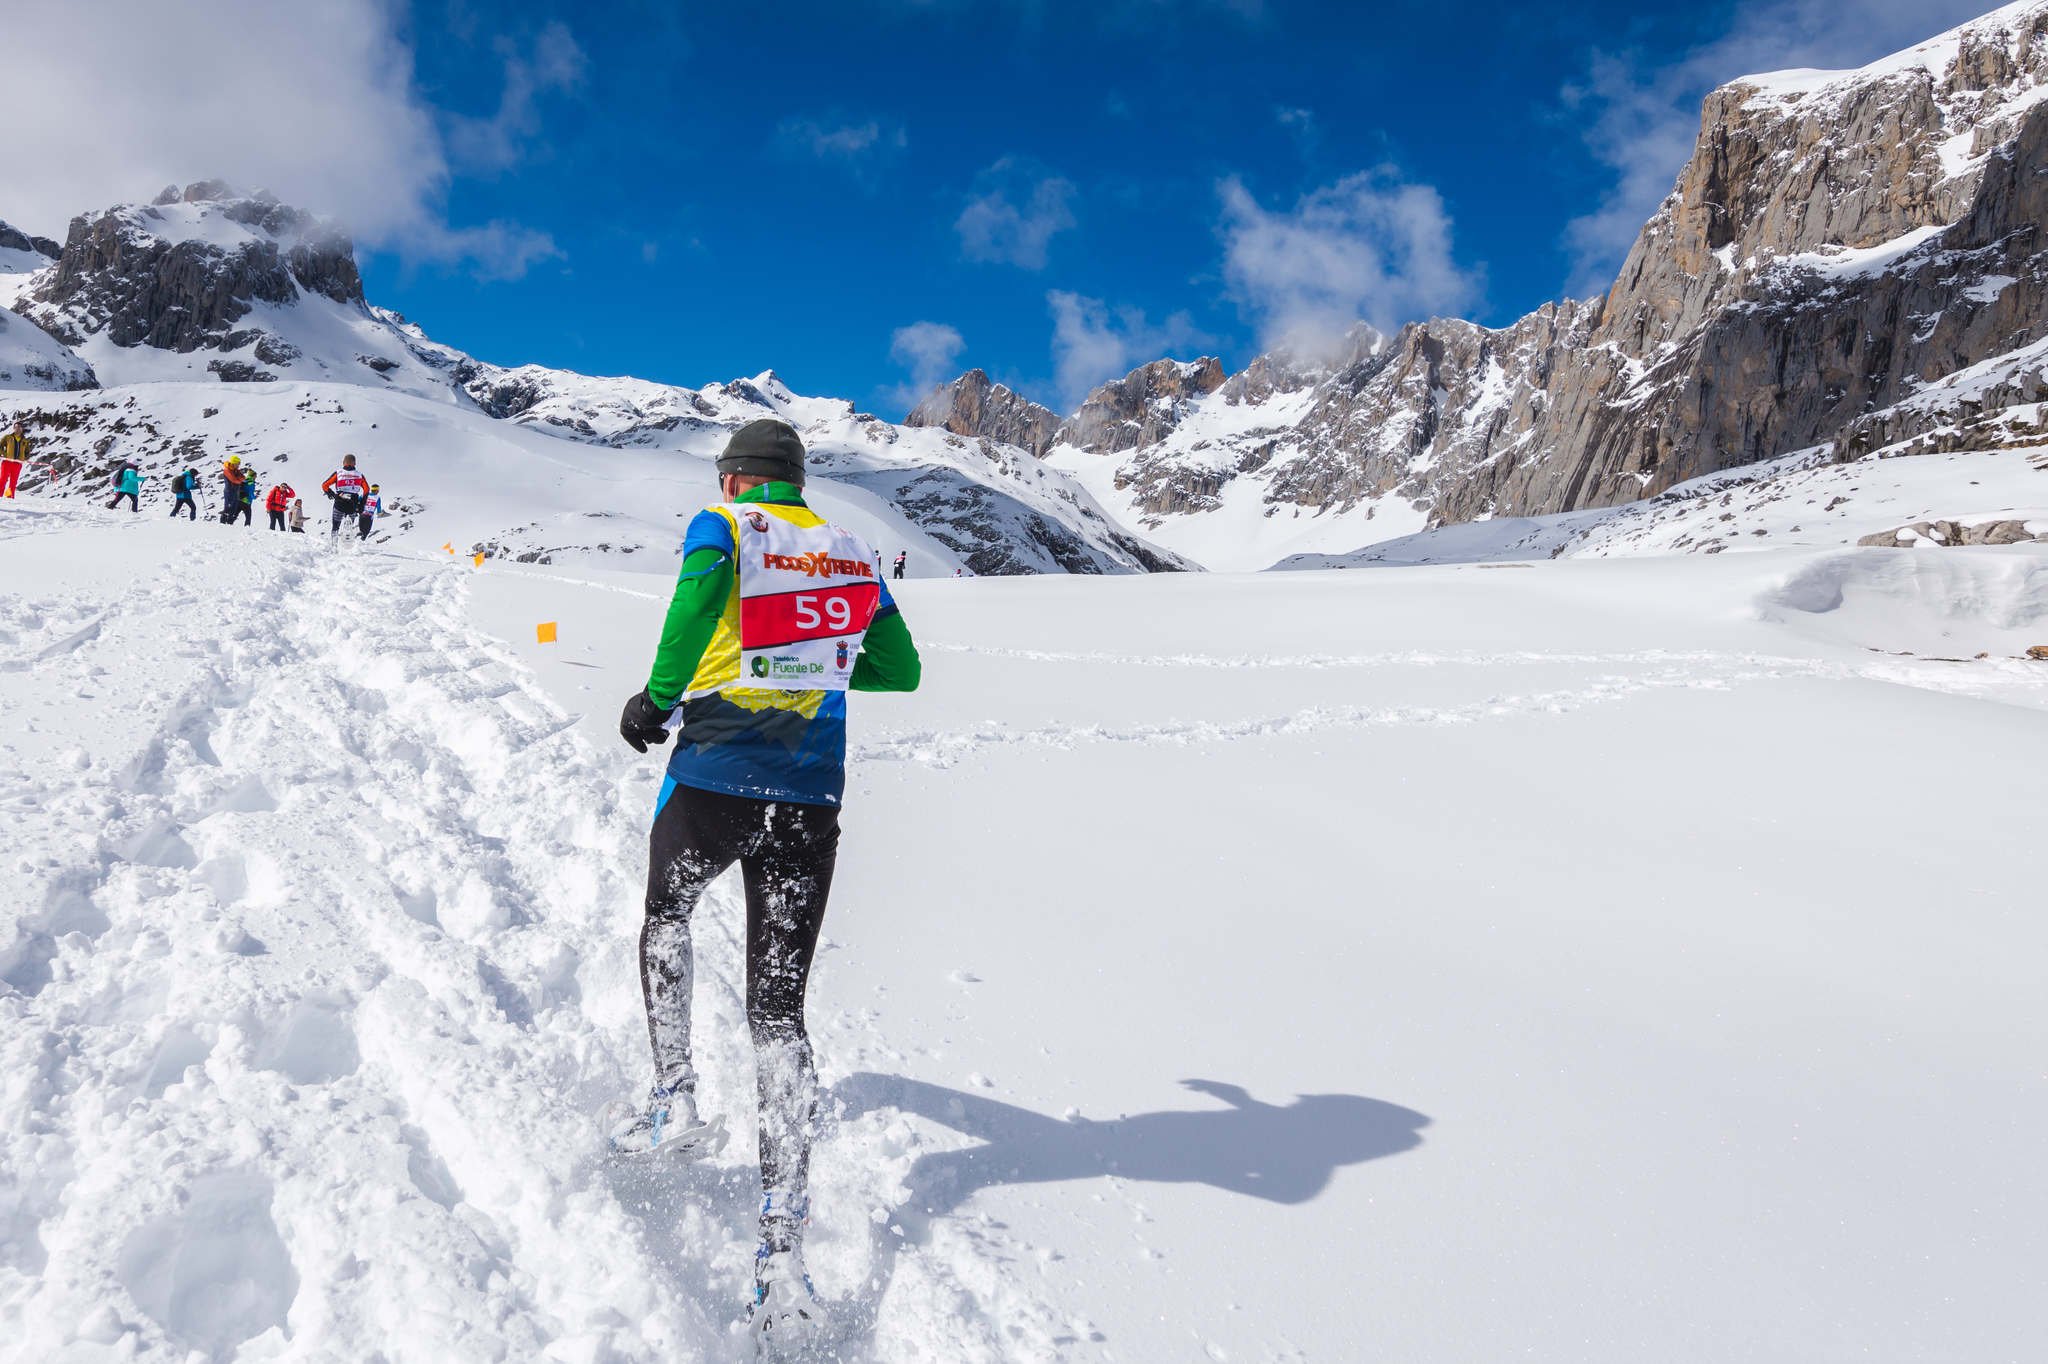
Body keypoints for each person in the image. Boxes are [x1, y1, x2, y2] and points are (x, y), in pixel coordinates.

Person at [613, 418, 920, 1354]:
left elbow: (692, 610)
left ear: (739, 480)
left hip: (711, 781)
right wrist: (814, 658)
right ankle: (782, 1254)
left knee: (666, 922)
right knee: (779, 1016)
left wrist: (658, 699)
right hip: (807, 801)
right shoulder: (851, 551)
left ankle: (675, 1101)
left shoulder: (726, 528)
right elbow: (899, 671)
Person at [322, 454, 369, 536]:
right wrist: (362, 503)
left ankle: (334, 544)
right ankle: (348, 543)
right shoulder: (359, 475)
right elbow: (367, 489)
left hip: (340, 501)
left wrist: (332, 494)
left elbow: (324, 485)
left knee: (335, 526)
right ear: (355, 463)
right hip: (353, 503)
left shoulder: (338, 473)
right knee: (349, 526)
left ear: (343, 463)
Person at [0, 420, 29, 499]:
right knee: (2, 480)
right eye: (16, 427)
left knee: (13, 482)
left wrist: (23, 458)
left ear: (22, 429)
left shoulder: (25, 440)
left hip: (17, 464)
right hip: (7, 462)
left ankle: (9, 497)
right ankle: (0, 495)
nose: (18, 429)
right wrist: (5, 454)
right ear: (13, 429)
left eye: (19, 427)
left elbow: (27, 452)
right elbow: (0, 446)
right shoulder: (8, 437)